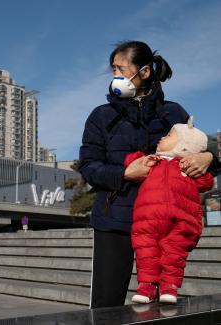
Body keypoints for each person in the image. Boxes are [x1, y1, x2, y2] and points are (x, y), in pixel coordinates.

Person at [78, 41, 221, 309]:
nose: (115, 77)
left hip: (166, 223)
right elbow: (88, 166)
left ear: (144, 72)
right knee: (106, 305)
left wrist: (209, 158)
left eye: (121, 69)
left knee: (160, 304)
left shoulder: (174, 112)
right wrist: (125, 173)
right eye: (113, 70)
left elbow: (199, 147)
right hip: (114, 220)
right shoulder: (101, 116)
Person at [124, 120, 214, 304]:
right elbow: (131, 161)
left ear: (185, 145)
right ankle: (146, 285)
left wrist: (199, 163)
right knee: (145, 252)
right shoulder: (152, 161)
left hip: (182, 221)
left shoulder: (187, 166)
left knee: (174, 254)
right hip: (147, 218)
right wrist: (141, 159)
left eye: (169, 135)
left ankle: (169, 286)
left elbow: (206, 183)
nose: (162, 138)